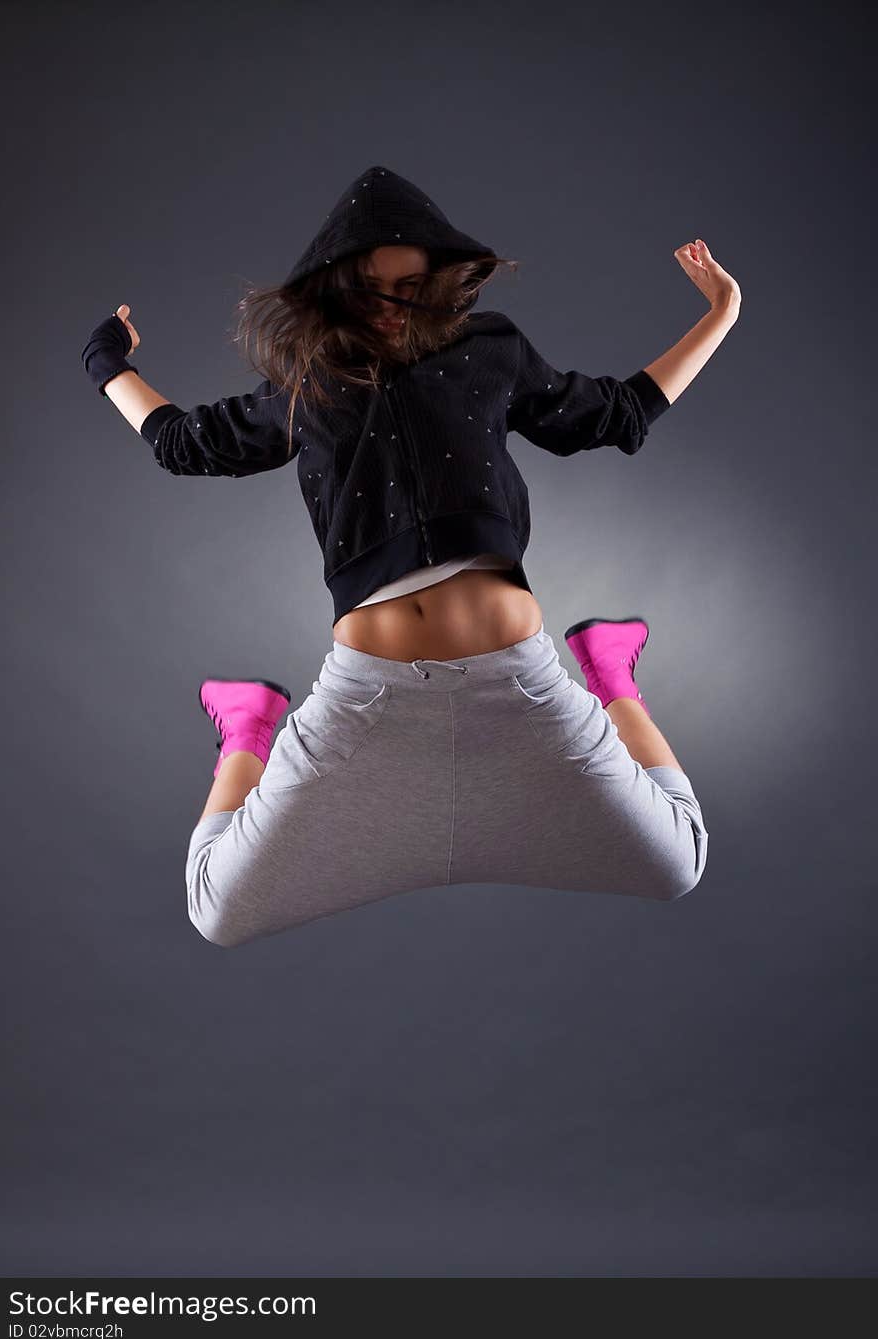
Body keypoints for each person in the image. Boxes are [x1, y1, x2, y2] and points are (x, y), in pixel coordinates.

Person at [81, 163, 741, 948]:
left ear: (440, 282)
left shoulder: (489, 347)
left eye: (412, 286)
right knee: (215, 911)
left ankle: (610, 676)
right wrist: (106, 363)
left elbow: (618, 413)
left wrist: (723, 313)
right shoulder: (307, 378)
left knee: (678, 861)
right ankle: (247, 728)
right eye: (370, 288)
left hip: (517, 682)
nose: (393, 309)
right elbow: (185, 443)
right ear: (333, 285)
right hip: (369, 696)